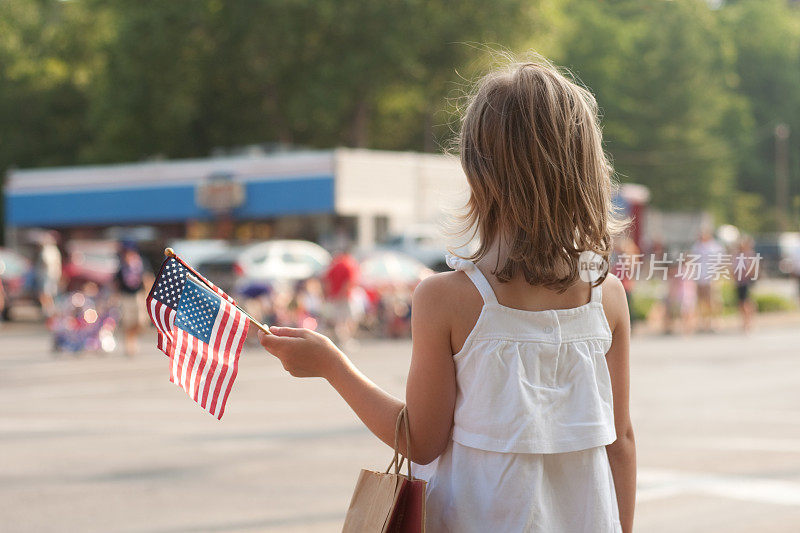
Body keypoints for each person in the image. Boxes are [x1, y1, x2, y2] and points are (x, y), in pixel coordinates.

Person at [258, 57, 636, 532]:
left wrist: (332, 366)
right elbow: (620, 441)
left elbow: (420, 440)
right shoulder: (609, 297)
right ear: (585, 168)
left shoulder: (447, 299)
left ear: (478, 172)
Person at [322, 249, 361, 346]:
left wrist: (329, 295)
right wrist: (342, 293)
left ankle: (342, 339)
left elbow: (327, 282)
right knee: (350, 319)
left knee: (339, 320)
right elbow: (349, 282)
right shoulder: (349, 264)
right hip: (345, 296)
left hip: (334, 296)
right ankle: (345, 340)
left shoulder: (334, 266)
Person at [690, 229, 725, 332]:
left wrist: (716, 275)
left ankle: (715, 321)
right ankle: (703, 322)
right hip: (699, 278)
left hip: (711, 278)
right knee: (701, 302)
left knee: (713, 301)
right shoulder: (696, 247)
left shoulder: (715, 247)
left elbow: (721, 262)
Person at [115, 243, 146, 356]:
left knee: (141, 321)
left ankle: (133, 337)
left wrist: (147, 293)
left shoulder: (140, 264)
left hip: (138, 294)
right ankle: (129, 344)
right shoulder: (121, 267)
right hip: (125, 296)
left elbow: (146, 278)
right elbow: (116, 283)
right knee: (128, 322)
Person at [733, 237, 757, 334]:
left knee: (746, 302)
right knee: (741, 303)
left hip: (746, 281)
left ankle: (749, 322)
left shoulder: (749, 255)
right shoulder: (736, 256)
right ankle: (744, 321)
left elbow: (752, 269)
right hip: (739, 282)